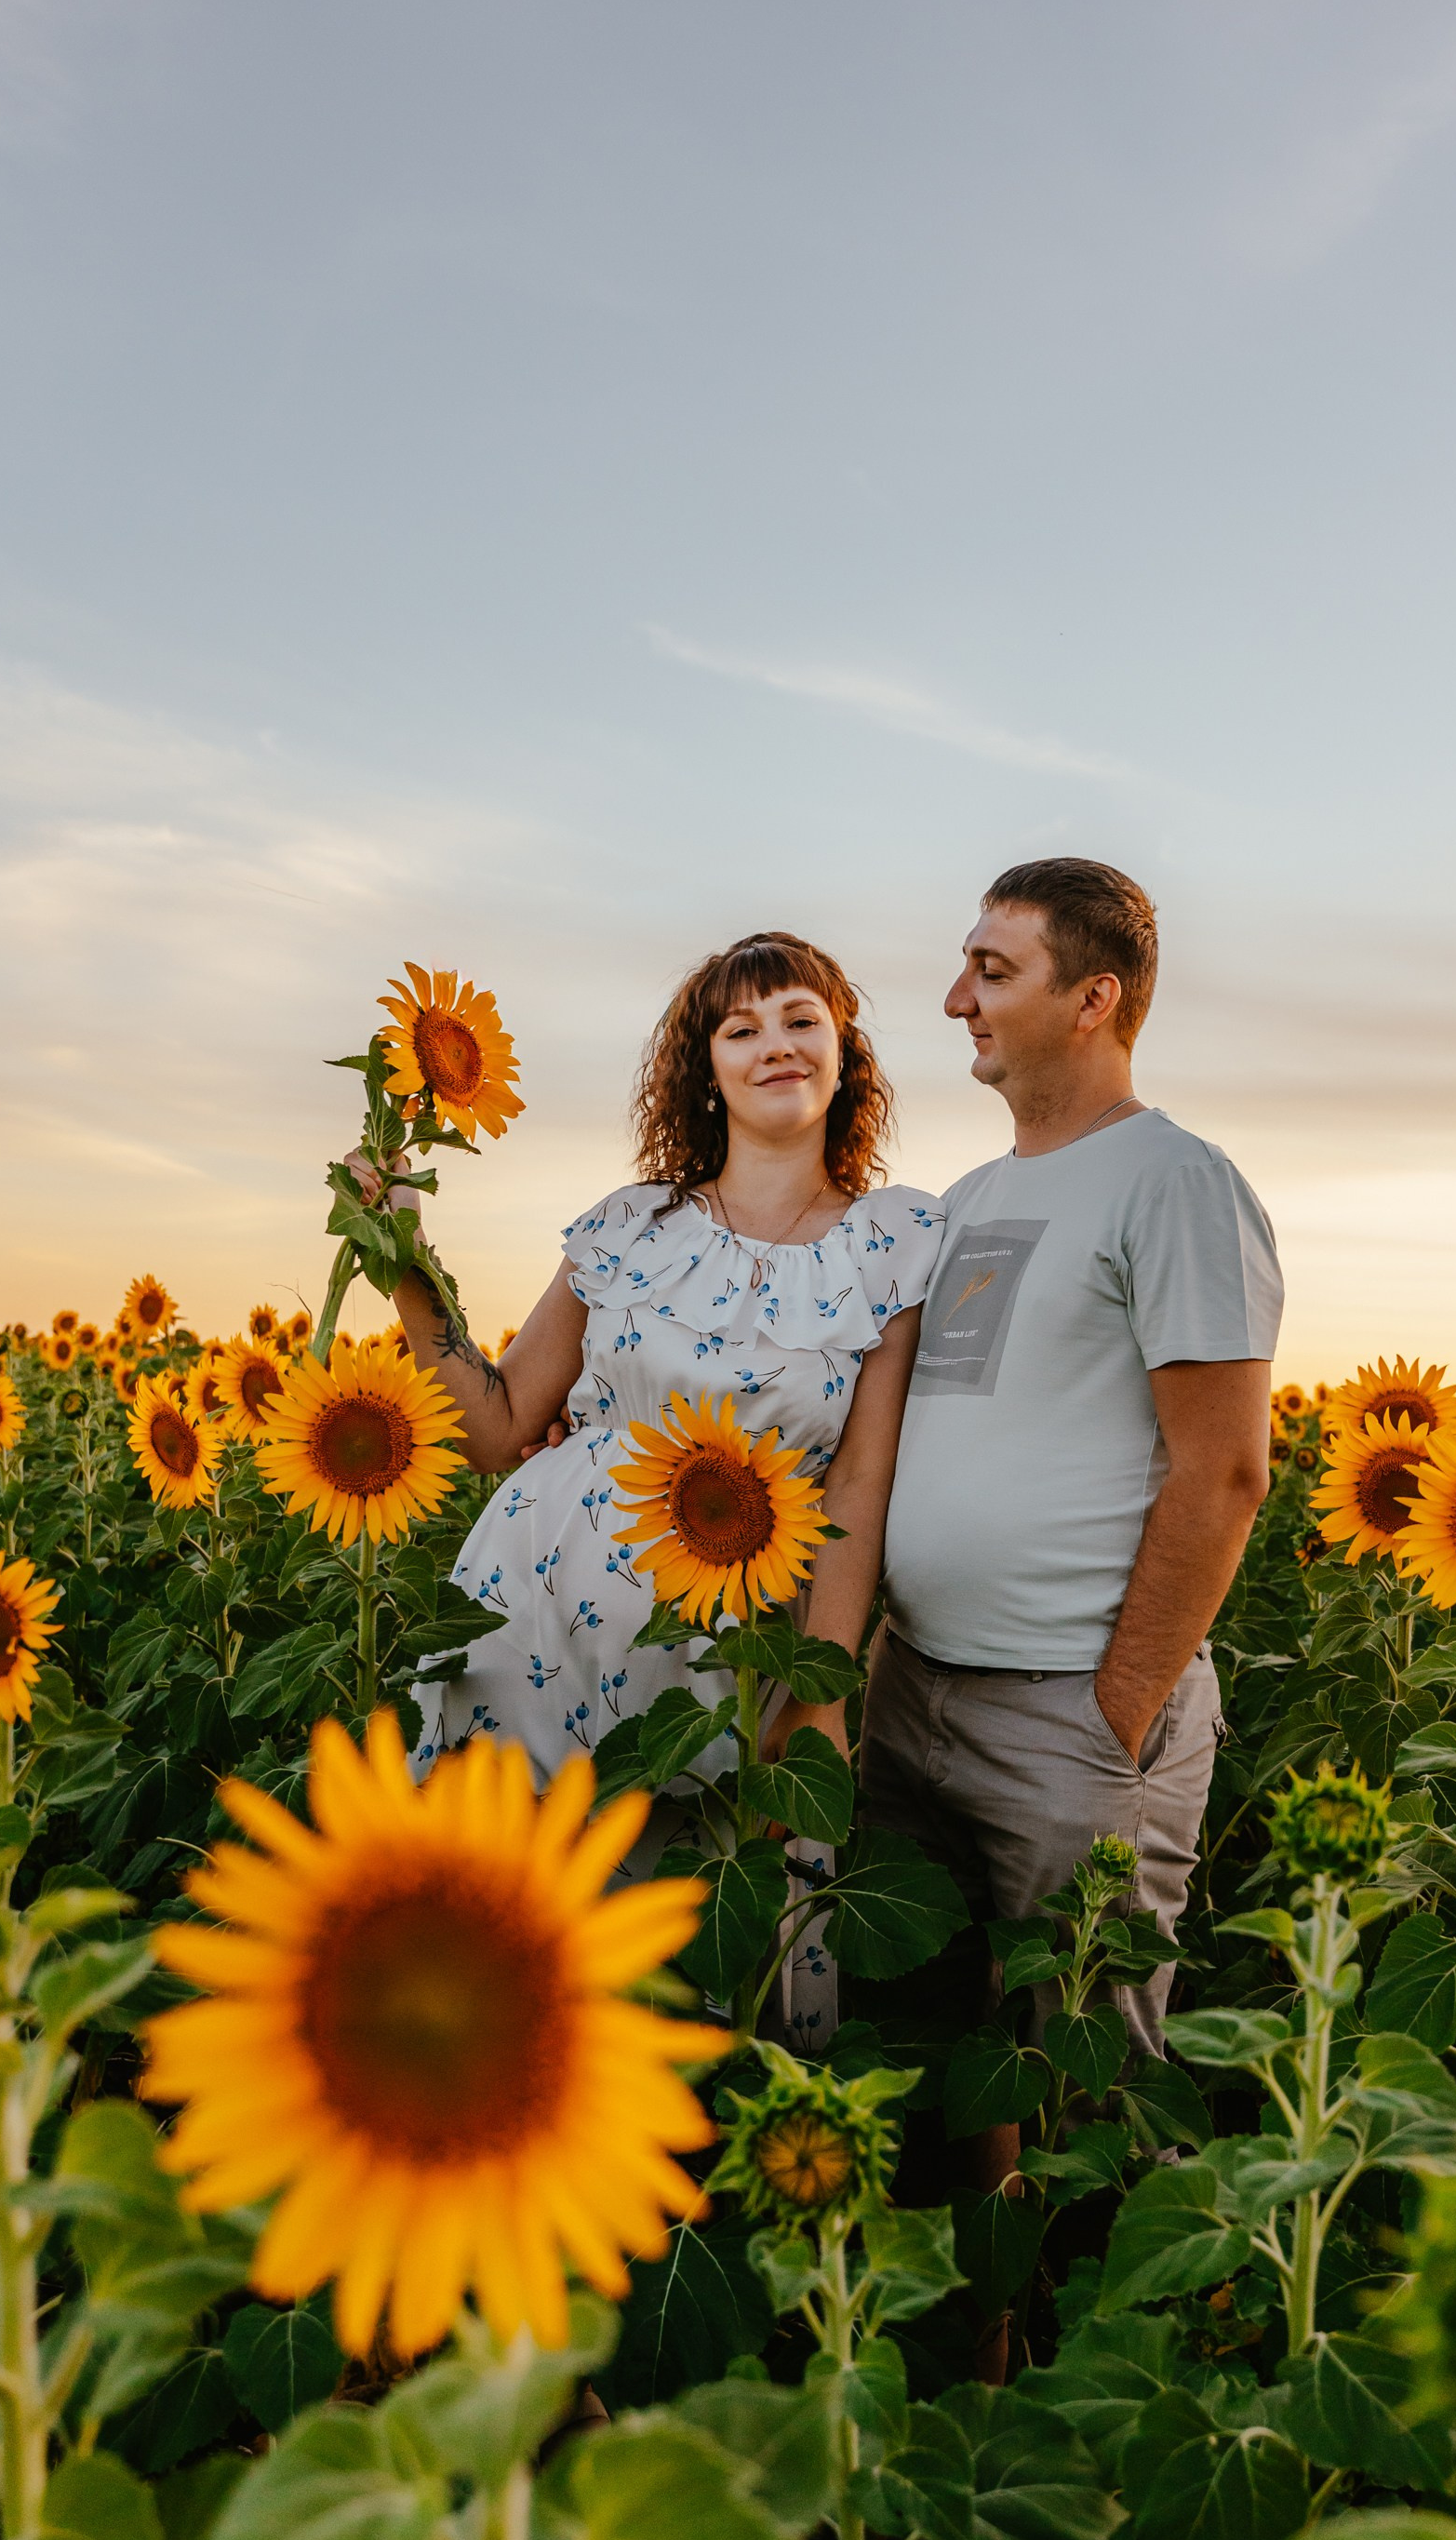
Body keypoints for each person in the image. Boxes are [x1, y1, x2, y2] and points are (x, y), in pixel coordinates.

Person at [349, 930, 942, 2045]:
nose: (775, 1045)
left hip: (733, 1664)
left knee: (709, 1955)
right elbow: (497, 1425)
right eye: (741, 1029)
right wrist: (406, 1264)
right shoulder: (631, 1227)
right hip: (528, 1635)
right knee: (504, 1956)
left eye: (801, 1019)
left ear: (845, 1051)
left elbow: (860, 1485)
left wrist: (819, 1694)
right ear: (706, 1071)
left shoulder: (893, 1243)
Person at [862, 856, 1280, 2128]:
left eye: (993, 972)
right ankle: (979, 2275)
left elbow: (1225, 1470)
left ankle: (1086, 2273)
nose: (957, 1000)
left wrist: (1117, 1712)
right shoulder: (972, 1200)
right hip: (914, 1695)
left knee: (1082, 2093)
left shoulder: (1175, 1181)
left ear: (1093, 999)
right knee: (946, 2070)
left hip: (1069, 1719)